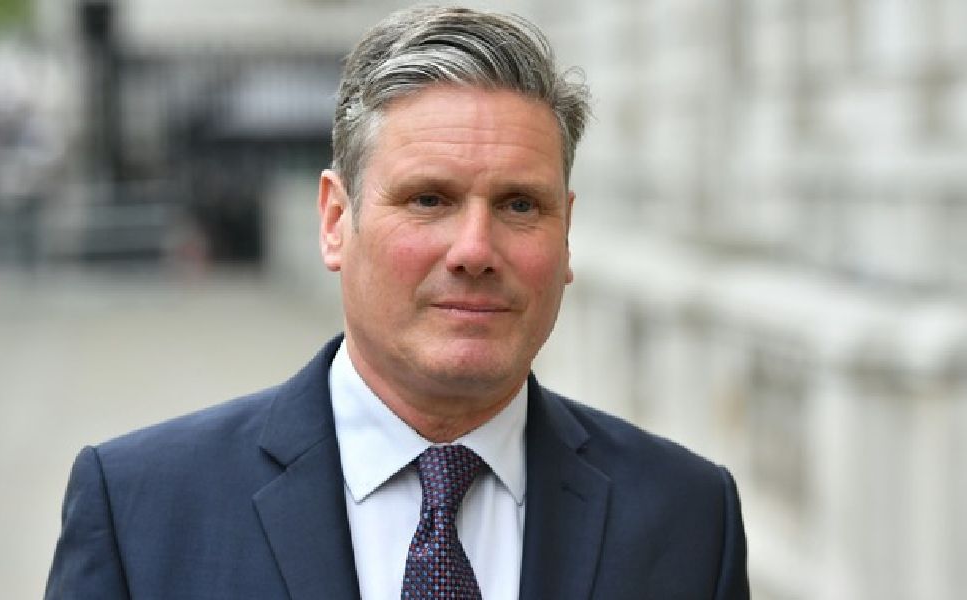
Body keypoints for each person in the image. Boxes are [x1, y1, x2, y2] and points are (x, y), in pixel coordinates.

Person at [45, 6, 749, 599]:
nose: (475, 249)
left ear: (566, 235)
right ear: (334, 221)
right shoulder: (141, 510)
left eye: (519, 205)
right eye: (429, 199)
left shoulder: (689, 519)